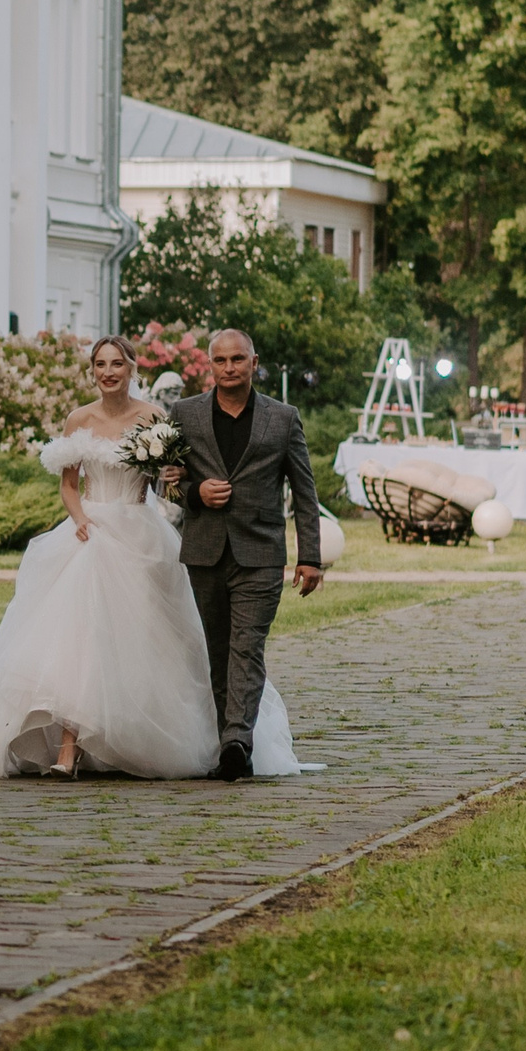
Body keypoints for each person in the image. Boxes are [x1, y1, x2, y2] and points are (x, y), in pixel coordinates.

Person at [0, 335, 307, 781]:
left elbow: (171, 481)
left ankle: (155, 738)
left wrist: (179, 480)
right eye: (100, 365)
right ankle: (69, 747)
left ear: (131, 369)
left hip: (140, 533)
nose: (108, 372)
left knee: (151, 641)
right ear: (92, 372)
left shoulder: (156, 417)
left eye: (116, 364)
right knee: (79, 636)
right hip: (90, 532)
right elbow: (68, 484)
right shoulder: (78, 418)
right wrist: (80, 518)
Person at [169, 329, 326, 782]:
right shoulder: (184, 414)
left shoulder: (283, 418)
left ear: (254, 363)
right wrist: (195, 492)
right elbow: (166, 482)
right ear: (210, 365)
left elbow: (304, 490)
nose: (229, 367)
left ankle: (238, 741)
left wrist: (310, 556)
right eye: (220, 360)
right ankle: (228, 742)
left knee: (247, 647)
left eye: (238, 359)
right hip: (204, 551)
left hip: (260, 552)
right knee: (217, 650)